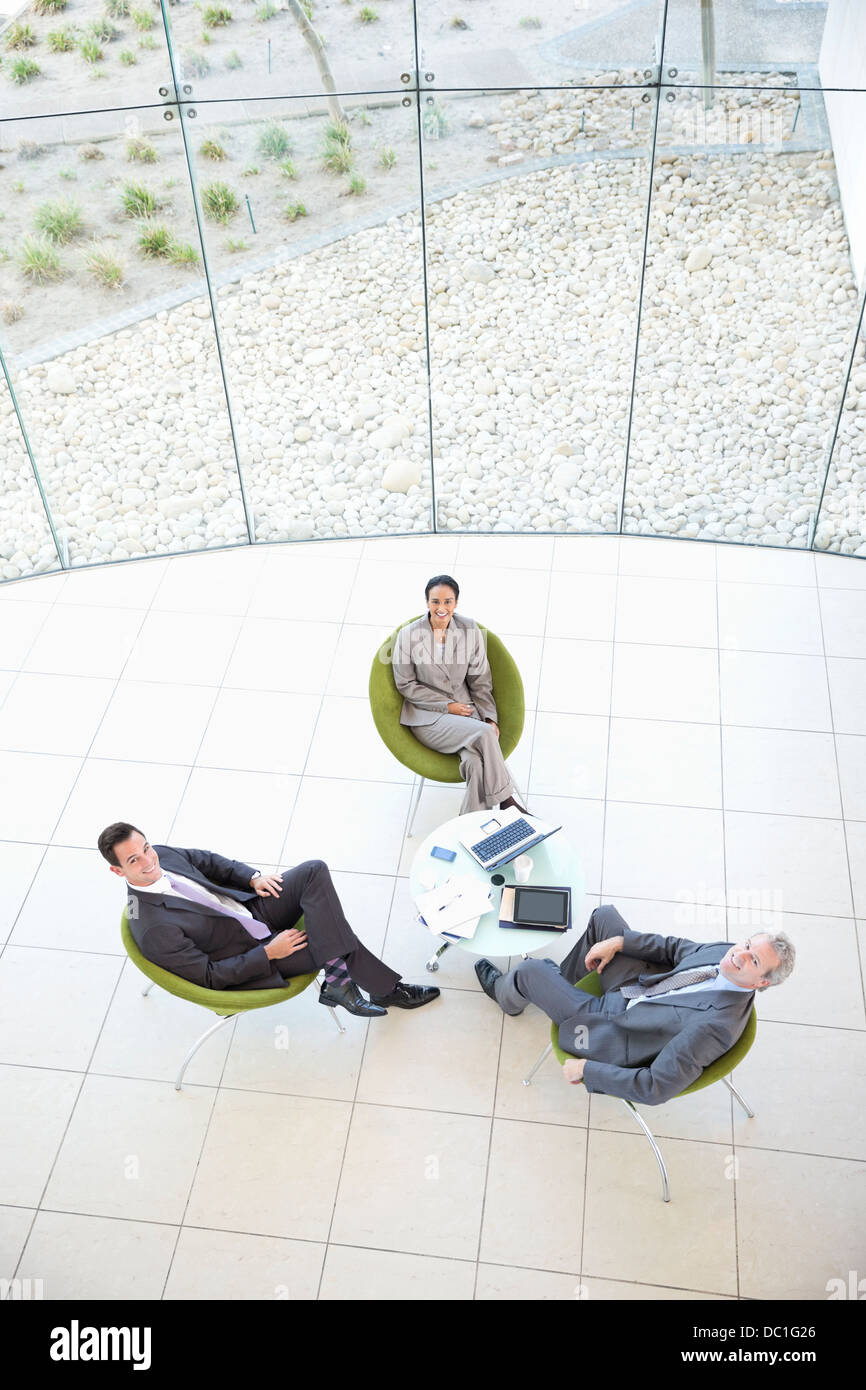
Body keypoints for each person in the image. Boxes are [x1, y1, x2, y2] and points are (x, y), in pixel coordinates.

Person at [99, 822, 439, 1018]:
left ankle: (338, 983)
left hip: (249, 910)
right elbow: (209, 977)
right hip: (249, 952)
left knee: (313, 871)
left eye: (145, 847)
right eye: (134, 859)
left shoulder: (162, 854)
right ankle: (384, 990)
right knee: (335, 937)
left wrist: (251, 878)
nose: (148, 860)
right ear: (117, 871)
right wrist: (269, 954)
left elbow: (210, 862)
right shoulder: (153, 927)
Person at [474, 904, 795, 1106]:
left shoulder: (715, 1028)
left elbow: (655, 1087)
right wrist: (621, 942)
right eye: (747, 944)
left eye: (752, 959)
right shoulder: (727, 952)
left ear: (761, 982)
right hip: (640, 987)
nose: (738, 955)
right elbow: (675, 949)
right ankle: (562, 988)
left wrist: (587, 1071)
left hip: (612, 1030)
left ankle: (509, 998)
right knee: (605, 917)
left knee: (531, 971)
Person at [392, 573, 526, 816]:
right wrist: (447, 706)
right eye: (435, 602)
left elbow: (480, 679)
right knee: (485, 734)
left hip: (467, 715)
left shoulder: (469, 629)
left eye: (447, 602)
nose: (441, 608)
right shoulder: (407, 636)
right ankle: (507, 801)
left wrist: (489, 717)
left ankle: (473, 825)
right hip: (428, 718)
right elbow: (406, 685)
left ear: (455, 603)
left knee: (475, 763)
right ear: (427, 603)